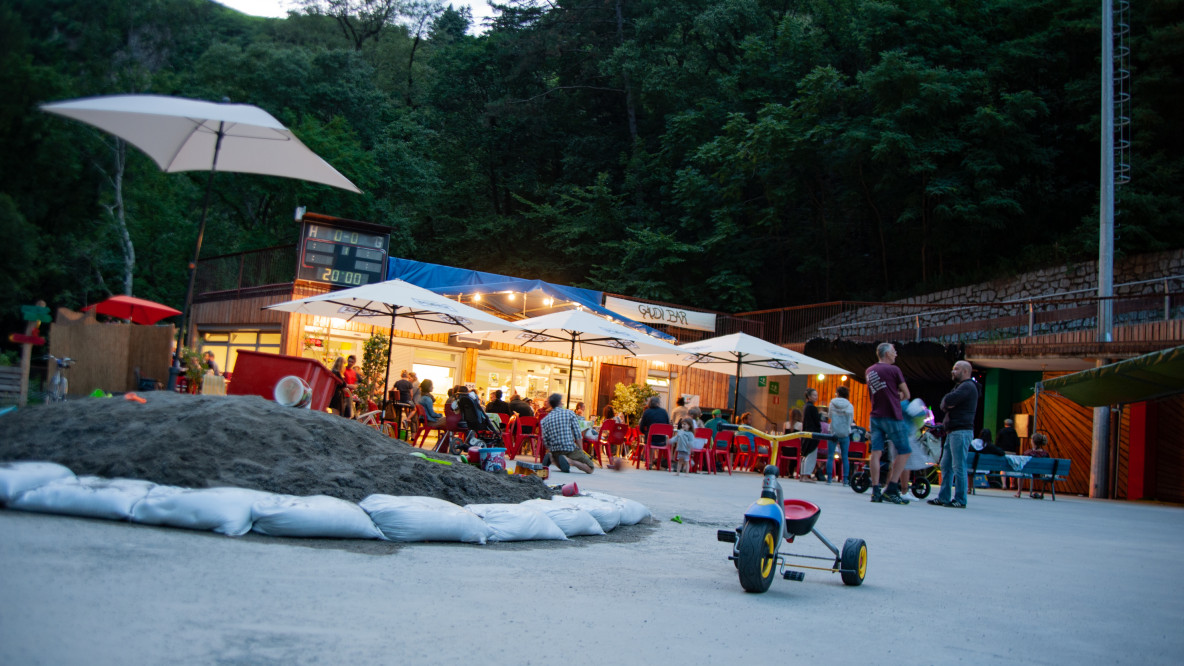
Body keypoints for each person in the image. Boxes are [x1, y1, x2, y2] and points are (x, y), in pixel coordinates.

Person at [866, 342, 912, 505]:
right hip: (892, 415)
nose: (896, 354)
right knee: (905, 450)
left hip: (875, 415)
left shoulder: (869, 370)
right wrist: (895, 396)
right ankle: (892, 488)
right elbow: (906, 394)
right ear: (886, 354)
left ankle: (875, 490)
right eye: (894, 351)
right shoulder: (894, 370)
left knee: (876, 452)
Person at [930, 360, 978, 509]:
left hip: (960, 431)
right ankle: (944, 497)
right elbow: (945, 403)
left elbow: (948, 400)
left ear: (965, 372)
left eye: (956, 369)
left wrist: (947, 403)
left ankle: (960, 499)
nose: (952, 371)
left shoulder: (967, 387)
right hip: (953, 431)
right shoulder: (961, 387)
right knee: (946, 465)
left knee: (958, 466)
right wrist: (946, 403)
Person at [539, 393, 595, 474]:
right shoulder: (569, 413)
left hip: (555, 450)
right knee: (590, 468)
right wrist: (581, 450)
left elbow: (546, 441)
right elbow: (577, 434)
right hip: (569, 448)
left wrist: (552, 450)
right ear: (560, 403)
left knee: (560, 459)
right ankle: (570, 460)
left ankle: (552, 458)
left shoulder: (544, 420)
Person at [828, 385, 855, 486]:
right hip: (845, 432)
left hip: (833, 432)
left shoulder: (832, 403)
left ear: (837, 393)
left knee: (830, 456)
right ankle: (845, 480)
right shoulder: (850, 406)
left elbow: (830, 416)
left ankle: (829, 479)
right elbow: (851, 420)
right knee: (844, 457)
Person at [638, 396, 671, 467]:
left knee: (650, 439)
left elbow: (641, 427)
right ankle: (657, 462)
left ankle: (650, 462)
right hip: (662, 440)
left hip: (651, 439)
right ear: (658, 403)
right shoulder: (664, 412)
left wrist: (646, 433)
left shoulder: (647, 412)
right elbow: (668, 425)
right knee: (652, 438)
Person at [799, 389, 824, 482]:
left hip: (806, 433)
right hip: (812, 433)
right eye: (814, 395)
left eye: (816, 395)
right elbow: (816, 421)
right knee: (811, 455)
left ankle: (802, 475)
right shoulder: (812, 408)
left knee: (805, 454)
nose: (816, 397)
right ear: (808, 396)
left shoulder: (806, 407)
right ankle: (806, 475)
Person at [1020, 432, 1052, 498]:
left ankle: (1018, 492)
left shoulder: (1028, 453)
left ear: (1033, 441)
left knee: (1021, 473)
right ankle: (1042, 493)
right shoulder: (1045, 454)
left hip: (1030, 473)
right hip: (1042, 474)